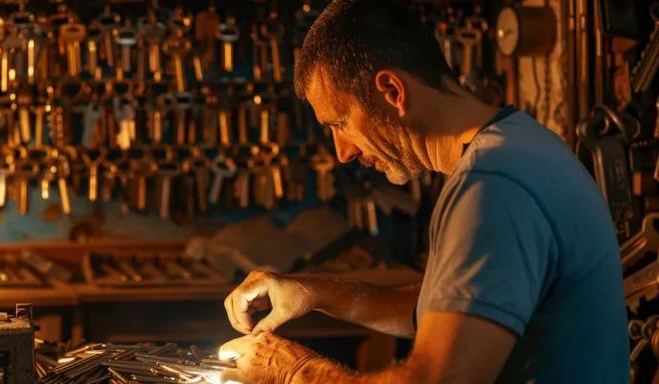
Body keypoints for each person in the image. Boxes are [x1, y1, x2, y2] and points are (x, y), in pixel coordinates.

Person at [217, 1, 628, 383]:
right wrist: (314, 293)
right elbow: (448, 312)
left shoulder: (493, 188)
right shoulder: (517, 144)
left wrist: (293, 371)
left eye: (340, 123)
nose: (342, 153)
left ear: (392, 92)